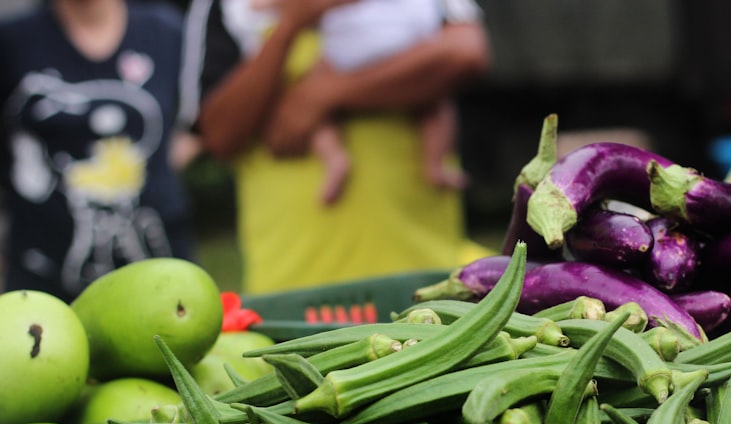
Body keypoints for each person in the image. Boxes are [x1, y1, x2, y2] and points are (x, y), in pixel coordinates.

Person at [179, 0, 491, 295]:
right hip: (294, 285)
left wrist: (324, 93)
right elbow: (218, 135)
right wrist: (292, 24)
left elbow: (466, 52)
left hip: (424, 273)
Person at [0, 0, 193, 302]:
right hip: (42, 284)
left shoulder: (164, 29)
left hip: (164, 278)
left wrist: (159, 169)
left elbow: (203, 120)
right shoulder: (12, 40)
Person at [230, 0, 468, 207]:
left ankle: (335, 159)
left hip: (355, 48)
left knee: (310, 95)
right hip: (404, 44)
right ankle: (434, 164)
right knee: (434, 107)